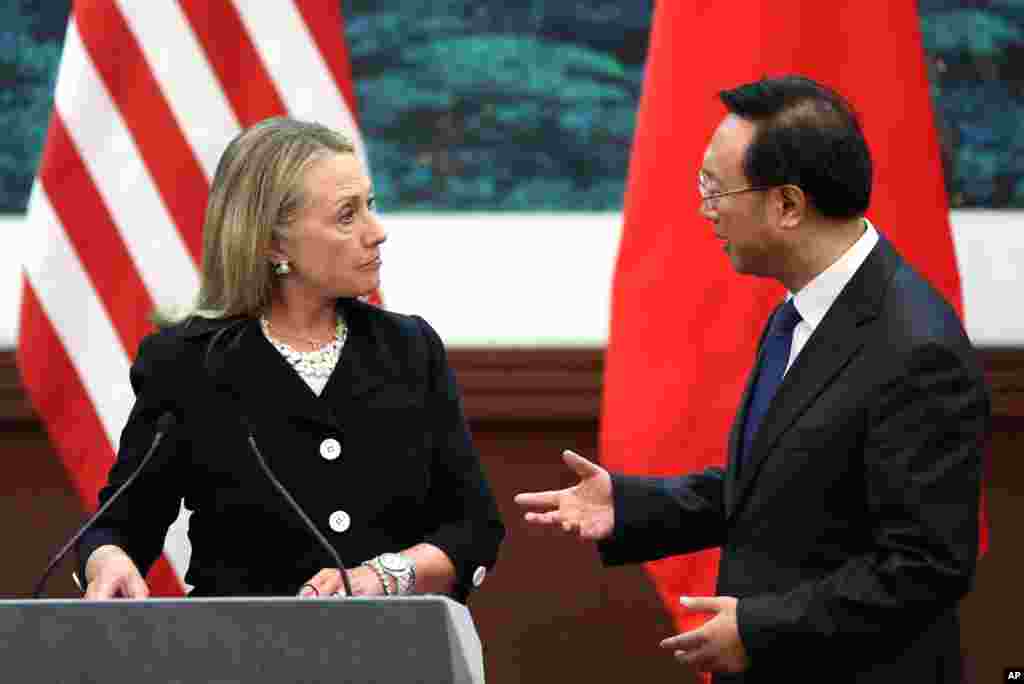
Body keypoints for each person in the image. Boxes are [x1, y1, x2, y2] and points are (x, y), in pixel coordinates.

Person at [515, 75, 989, 682]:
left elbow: (924, 566)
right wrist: (631, 506)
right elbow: (776, 487)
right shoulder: (801, 309)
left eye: (715, 189)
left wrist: (762, 629)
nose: (704, 209)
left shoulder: (917, 348)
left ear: (787, 206)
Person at [78, 117, 504, 602]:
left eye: (371, 206)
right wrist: (110, 560)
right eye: (348, 215)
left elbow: (474, 526)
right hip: (238, 658)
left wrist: (384, 576)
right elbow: (120, 524)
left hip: (394, 651)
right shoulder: (186, 362)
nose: (377, 231)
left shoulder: (410, 348)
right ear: (273, 243)